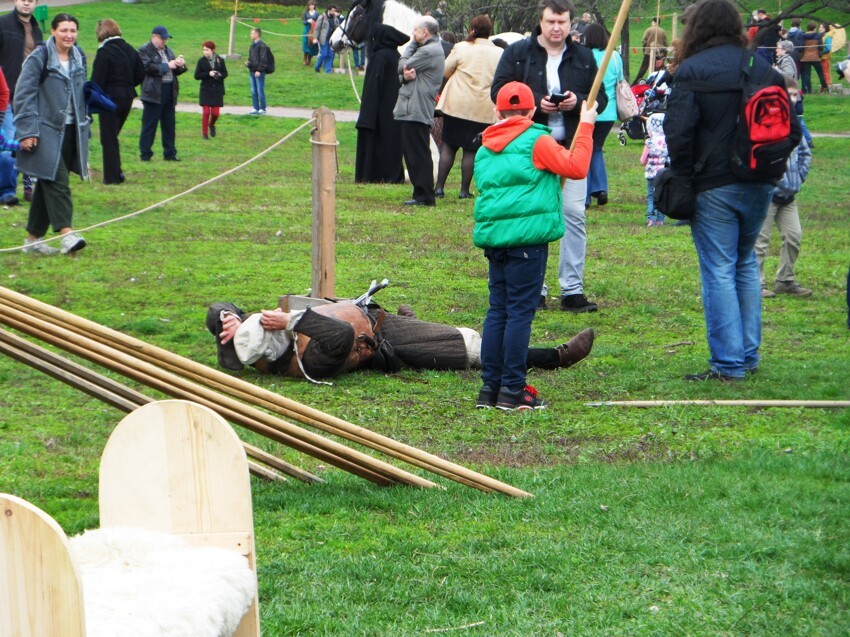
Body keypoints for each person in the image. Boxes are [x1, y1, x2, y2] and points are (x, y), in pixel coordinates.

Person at [663, 0, 801, 381]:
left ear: (697, 29)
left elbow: (678, 133)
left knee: (719, 270)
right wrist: (764, 165)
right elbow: (792, 131)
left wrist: (685, 177)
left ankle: (727, 363)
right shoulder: (764, 69)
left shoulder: (692, 70)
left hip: (714, 185)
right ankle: (747, 356)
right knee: (743, 265)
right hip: (759, 183)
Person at [473, 81, 596, 410]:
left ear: (497, 111)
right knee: (519, 315)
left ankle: (490, 389)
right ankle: (512, 390)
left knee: (498, 311)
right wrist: (585, 125)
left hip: (496, 242)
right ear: (531, 111)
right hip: (528, 242)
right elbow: (577, 167)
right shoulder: (537, 140)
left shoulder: (485, 148)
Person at [491, 0, 608, 313]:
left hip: (569, 146)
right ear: (540, 22)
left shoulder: (583, 56)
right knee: (535, 219)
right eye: (551, 22)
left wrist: (577, 100)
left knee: (574, 215)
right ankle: (535, 291)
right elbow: (498, 91)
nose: (557, 28)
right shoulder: (518, 53)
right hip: (530, 148)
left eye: (563, 22)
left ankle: (572, 290)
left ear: (571, 24)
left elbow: (602, 99)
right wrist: (535, 103)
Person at [206, 298, 595, 382]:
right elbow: (340, 334)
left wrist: (227, 317)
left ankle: (414, 318)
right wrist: (292, 319)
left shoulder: (253, 333)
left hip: (377, 316)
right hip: (387, 345)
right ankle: (553, 357)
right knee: (471, 348)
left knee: (462, 335)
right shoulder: (307, 362)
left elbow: (217, 306)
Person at [15, 13, 88, 256]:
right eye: (64, 30)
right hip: (44, 130)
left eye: (73, 30)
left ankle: (32, 240)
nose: (69, 35)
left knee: (47, 180)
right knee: (58, 182)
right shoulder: (40, 58)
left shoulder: (80, 58)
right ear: (53, 32)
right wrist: (28, 130)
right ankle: (67, 235)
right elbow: (23, 95)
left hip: (70, 131)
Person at [433, 15, 502, 200]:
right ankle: (464, 191)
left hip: (457, 105)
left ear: (472, 29)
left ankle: (439, 188)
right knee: (471, 150)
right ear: (490, 31)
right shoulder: (499, 53)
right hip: (482, 108)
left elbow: (445, 70)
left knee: (449, 146)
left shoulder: (462, 47)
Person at [755, 81, 812, 299]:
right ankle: (757, 283)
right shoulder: (767, 122)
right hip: (769, 193)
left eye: (795, 95)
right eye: (788, 95)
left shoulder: (794, 125)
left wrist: (799, 176)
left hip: (790, 196)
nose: (793, 99)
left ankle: (785, 280)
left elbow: (806, 153)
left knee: (794, 236)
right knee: (761, 240)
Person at [393, 16, 445, 207]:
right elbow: (405, 74)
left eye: (415, 31)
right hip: (413, 106)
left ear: (425, 32)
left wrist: (411, 45)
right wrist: (405, 77)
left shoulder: (429, 51)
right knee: (414, 151)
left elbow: (401, 65)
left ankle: (424, 195)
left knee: (418, 153)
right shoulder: (430, 49)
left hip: (416, 108)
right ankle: (420, 193)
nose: (412, 34)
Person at [91, 18, 144, 185]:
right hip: (127, 97)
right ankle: (116, 170)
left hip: (109, 98)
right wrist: (127, 84)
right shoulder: (130, 49)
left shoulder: (104, 52)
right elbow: (140, 73)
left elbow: (97, 80)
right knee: (113, 136)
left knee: (108, 138)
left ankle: (112, 177)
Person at [0, 0, 43, 206]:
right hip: (6, 96)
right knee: (7, 145)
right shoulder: (3, 24)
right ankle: (6, 191)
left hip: (29, 98)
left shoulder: (36, 30)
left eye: (31, 0)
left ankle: (28, 187)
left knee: (28, 143)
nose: (26, 3)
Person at [355, 24, 409, 184]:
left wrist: (366, 114)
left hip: (379, 109)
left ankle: (375, 175)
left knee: (379, 142)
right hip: (394, 109)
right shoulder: (395, 56)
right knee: (391, 141)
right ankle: (391, 173)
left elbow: (373, 86)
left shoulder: (380, 57)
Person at [582, 23, 621, 208]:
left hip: (590, 110)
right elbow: (620, 81)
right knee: (596, 148)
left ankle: (586, 196)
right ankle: (600, 187)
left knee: (585, 150)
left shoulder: (585, 57)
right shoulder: (614, 56)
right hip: (610, 111)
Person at [138, 25, 187, 162]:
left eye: (166, 39)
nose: (164, 42)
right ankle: (145, 154)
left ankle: (170, 153)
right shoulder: (144, 50)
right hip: (153, 92)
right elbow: (147, 68)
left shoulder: (168, 51)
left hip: (169, 91)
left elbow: (175, 71)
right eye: (162, 39)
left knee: (169, 125)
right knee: (149, 125)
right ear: (154, 37)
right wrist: (167, 66)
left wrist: (180, 65)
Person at [194, 40, 227, 140]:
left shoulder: (220, 60)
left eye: (207, 50)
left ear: (213, 50)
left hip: (217, 90)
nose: (205, 52)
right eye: (204, 50)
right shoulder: (201, 61)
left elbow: (225, 73)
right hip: (206, 90)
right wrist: (208, 73)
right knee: (206, 112)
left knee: (216, 113)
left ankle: (211, 124)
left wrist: (219, 75)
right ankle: (204, 134)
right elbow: (197, 76)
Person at [641, 110, 668, 227]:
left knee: (651, 196)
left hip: (651, 174)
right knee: (662, 196)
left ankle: (650, 219)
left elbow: (642, 160)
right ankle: (660, 220)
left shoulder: (650, 142)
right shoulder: (668, 141)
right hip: (664, 174)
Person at [634, 18, 668, 83]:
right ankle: (657, 82)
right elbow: (666, 43)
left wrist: (644, 49)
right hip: (660, 54)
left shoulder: (648, 30)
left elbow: (644, 41)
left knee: (643, 69)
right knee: (658, 70)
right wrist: (665, 54)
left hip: (648, 52)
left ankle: (635, 83)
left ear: (654, 22)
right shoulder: (663, 31)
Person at [246, 28, 271, 113]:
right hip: (252, 71)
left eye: (252, 33)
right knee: (253, 90)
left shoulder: (262, 45)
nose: (250, 35)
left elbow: (264, 59)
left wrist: (259, 70)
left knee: (260, 90)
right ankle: (255, 107)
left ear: (257, 34)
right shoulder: (252, 45)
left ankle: (262, 108)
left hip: (259, 72)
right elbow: (251, 58)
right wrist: (248, 63)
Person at [799, 21, 827, 94]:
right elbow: (821, 47)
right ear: (814, 28)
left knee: (807, 75)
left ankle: (809, 91)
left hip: (805, 58)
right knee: (821, 74)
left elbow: (801, 47)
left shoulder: (803, 35)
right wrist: (820, 54)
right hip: (816, 57)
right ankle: (826, 89)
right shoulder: (818, 35)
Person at [313, 6, 340, 74]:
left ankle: (327, 71)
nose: (334, 12)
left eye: (335, 11)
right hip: (324, 39)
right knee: (324, 54)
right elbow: (317, 28)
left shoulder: (335, 18)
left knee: (330, 55)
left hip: (332, 40)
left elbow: (338, 27)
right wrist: (315, 38)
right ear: (329, 10)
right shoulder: (322, 17)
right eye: (332, 11)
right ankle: (317, 67)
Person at [301, 2, 319, 66]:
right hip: (307, 28)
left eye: (312, 5)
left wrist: (314, 22)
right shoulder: (305, 13)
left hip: (314, 29)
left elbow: (319, 21)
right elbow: (303, 21)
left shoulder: (317, 13)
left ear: (314, 6)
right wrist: (307, 21)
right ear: (308, 6)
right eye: (310, 5)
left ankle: (309, 60)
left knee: (312, 44)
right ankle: (304, 59)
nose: (311, 6)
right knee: (306, 43)